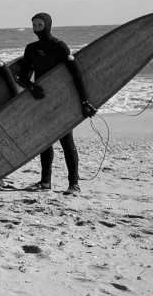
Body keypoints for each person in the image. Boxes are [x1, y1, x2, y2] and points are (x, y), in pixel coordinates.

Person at [17, 13, 96, 195]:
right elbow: (23, 76)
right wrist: (30, 86)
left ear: (48, 25)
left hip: (61, 101)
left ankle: (74, 184)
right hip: (41, 100)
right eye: (34, 25)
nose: (37, 28)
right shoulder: (31, 48)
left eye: (40, 24)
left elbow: (77, 74)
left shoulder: (59, 46)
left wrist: (84, 101)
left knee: (66, 141)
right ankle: (45, 182)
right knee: (45, 142)